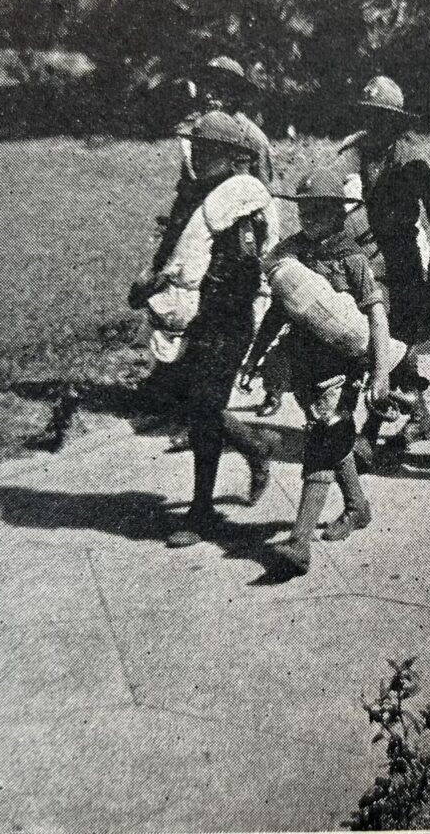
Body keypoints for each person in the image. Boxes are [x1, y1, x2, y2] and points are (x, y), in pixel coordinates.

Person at [240, 168, 393, 576]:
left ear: (339, 215)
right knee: (328, 432)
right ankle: (358, 506)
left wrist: (381, 373)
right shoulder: (292, 254)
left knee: (322, 440)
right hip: (302, 365)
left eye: (319, 213)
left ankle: (299, 542)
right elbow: (278, 309)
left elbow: (376, 315)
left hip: (340, 368)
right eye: (304, 212)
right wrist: (256, 357)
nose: (310, 220)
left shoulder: (353, 258)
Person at [155, 110, 280, 549]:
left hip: (228, 318)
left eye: (210, 149)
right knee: (194, 403)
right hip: (199, 315)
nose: (200, 154)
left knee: (205, 406)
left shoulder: (240, 203)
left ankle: (202, 508)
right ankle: (253, 447)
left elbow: (248, 266)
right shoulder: (198, 195)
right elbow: (176, 246)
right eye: (199, 147)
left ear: (232, 157)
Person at [342, 76, 430, 458]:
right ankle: (418, 414)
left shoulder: (413, 157)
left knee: (391, 339)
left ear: (397, 118)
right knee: (387, 340)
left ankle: (369, 432)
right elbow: (345, 195)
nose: (376, 123)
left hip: (400, 257)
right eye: (370, 114)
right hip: (366, 253)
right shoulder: (358, 149)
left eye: (383, 115)